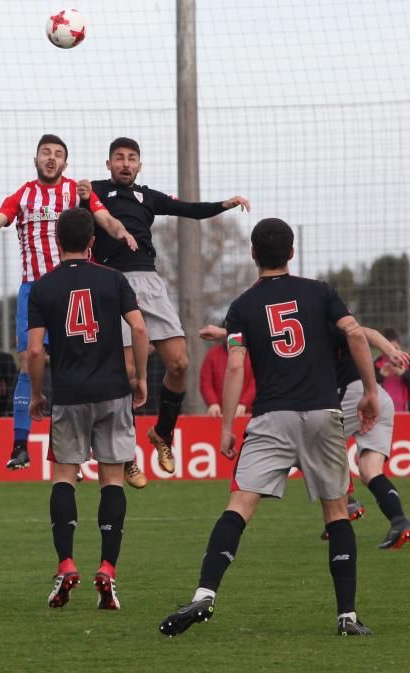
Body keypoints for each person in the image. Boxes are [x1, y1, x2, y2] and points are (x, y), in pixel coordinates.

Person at [159, 218, 378, 638]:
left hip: (271, 416)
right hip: (321, 412)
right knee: (336, 512)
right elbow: (354, 334)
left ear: (254, 255)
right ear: (291, 253)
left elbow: (237, 363)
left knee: (239, 505)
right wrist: (369, 389)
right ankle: (347, 617)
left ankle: (205, 594)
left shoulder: (243, 306)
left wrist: (226, 425)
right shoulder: (321, 292)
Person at [0, 134, 137, 471]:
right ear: (36, 159)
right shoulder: (23, 195)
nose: (52, 158)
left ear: (66, 163)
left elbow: (104, 218)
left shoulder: (77, 192)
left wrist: (121, 232)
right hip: (34, 290)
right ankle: (20, 444)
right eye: (46, 153)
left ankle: (86, 450)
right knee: (30, 359)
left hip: (71, 288)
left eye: (58, 154)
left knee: (75, 362)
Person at [89, 137, 250, 484]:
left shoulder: (148, 197)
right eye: (118, 158)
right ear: (108, 164)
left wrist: (224, 204)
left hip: (149, 282)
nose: (125, 164)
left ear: (140, 165)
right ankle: (126, 453)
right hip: (111, 283)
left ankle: (162, 434)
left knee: (179, 363)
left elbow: (189, 209)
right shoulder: (95, 192)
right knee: (128, 374)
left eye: (132, 158)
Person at [27, 207, 148, 610]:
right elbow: (140, 328)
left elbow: (33, 350)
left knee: (64, 475)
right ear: (93, 241)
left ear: (57, 242)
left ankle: (65, 563)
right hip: (113, 392)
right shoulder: (114, 279)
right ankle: (108, 570)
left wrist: (39, 394)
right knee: (112, 480)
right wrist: (142, 378)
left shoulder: (43, 288)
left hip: (69, 394)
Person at [200, 322, 410, 547]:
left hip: (355, 395)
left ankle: (347, 503)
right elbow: (368, 332)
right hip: (380, 399)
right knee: (370, 469)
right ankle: (399, 523)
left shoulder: (322, 325)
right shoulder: (326, 323)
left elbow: (266, 330)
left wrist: (225, 333)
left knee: (304, 445)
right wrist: (391, 351)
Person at [200, 340, 255, 416]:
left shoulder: (250, 355)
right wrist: (213, 403)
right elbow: (206, 382)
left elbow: (255, 382)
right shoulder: (212, 354)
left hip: (246, 413)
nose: (232, 339)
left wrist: (244, 403)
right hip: (218, 414)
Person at [374, 328, 410, 411]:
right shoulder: (375, 364)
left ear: (400, 346)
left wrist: (405, 373)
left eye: (396, 348)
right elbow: (367, 389)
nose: (393, 353)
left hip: (405, 412)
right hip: (383, 413)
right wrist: (380, 375)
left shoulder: (407, 363)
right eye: (389, 350)